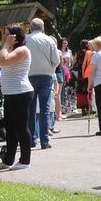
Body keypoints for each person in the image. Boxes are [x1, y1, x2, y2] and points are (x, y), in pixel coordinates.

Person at [0, 24, 34, 170]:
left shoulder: (22, 50)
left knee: (21, 128)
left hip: (21, 93)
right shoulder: (10, 50)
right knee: (10, 128)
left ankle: (25, 161)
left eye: (7, 34)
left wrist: (6, 45)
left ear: (15, 36)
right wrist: (6, 46)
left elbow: (2, 61)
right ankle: (8, 160)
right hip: (10, 94)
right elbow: (2, 60)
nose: (4, 37)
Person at [26, 18, 60, 150]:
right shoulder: (49, 40)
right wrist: (50, 69)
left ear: (31, 27)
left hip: (29, 76)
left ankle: (31, 139)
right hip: (46, 75)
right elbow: (56, 60)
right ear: (43, 27)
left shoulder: (25, 40)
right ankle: (44, 141)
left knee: (31, 109)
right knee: (45, 109)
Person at [60, 38, 76, 116]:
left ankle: (71, 107)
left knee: (69, 89)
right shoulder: (59, 51)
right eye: (63, 43)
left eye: (66, 43)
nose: (65, 44)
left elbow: (72, 62)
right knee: (62, 89)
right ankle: (62, 107)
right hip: (61, 70)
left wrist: (70, 68)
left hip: (68, 71)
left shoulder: (69, 51)